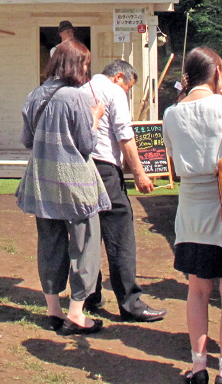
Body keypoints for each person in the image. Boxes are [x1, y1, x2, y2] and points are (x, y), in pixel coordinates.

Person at [163, 47, 222, 384]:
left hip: (191, 213)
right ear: (217, 71)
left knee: (197, 291)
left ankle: (199, 367)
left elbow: (173, 159)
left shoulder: (171, 113)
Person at [16, 38, 110, 336]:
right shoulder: (76, 97)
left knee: (49, 243)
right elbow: (87, 144)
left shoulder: (35, 95)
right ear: (74, 64)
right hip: (75, 181)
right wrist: (95, 119)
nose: (86, 68)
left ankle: (54, 311)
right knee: (85, 243)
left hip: (42, 180)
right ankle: (76, 313)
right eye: (84, 62)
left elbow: (27, 141)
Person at [84, 59, 167, 322]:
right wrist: (140, 173)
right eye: (129, 87)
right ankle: (130, 302)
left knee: (88, 234)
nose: (127, 92)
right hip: (107, 169)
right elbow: (124, 134)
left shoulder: (80, 89)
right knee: (120, 235)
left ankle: (89, 294)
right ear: (120, 77)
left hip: (82, 167)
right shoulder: (114, 92)